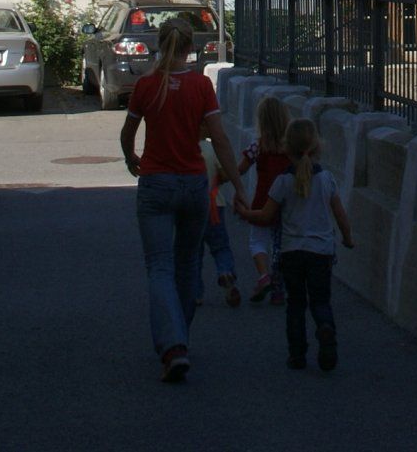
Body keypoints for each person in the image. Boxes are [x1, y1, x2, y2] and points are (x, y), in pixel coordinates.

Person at [120, 20, 246, 383]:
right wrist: (237, 184)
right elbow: (219, 139)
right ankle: (180, 338)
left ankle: (173, 345)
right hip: (194, 183)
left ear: (159, 45)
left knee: (159, 267)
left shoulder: (146, 85)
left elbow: (128, 132)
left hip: (156, 183)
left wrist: (131, 158)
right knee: (189, 263)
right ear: (191, 48)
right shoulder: (201, 85)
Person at [236, 117, 354, 372]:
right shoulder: (326, 179)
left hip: (292, 252)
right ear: (317, 147)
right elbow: (340, 214)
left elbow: (266, 216)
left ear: (286, 148)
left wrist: (246, 213)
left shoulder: (283, 182)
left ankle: (297, 354)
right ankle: (325, 328)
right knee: (321, 299)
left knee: (296, 303)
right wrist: (347, 237)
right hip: (321, 252)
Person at [236, 96, 293, 305]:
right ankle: (279, 285)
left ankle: (263, 275)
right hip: (287, 202)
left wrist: (225, 177)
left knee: (257, 241)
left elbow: (241, 168)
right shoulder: (291, 148)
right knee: (281, 244)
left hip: (263, 199)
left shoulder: (258, 146)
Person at [197, 139, 240, 307]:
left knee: (194, 252)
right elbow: (224, 173)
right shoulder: (210, 148)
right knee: (221, 246)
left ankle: (196, 293)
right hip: (215, 204)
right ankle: (225, 271)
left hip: (192, 207)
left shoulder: (185, 146)